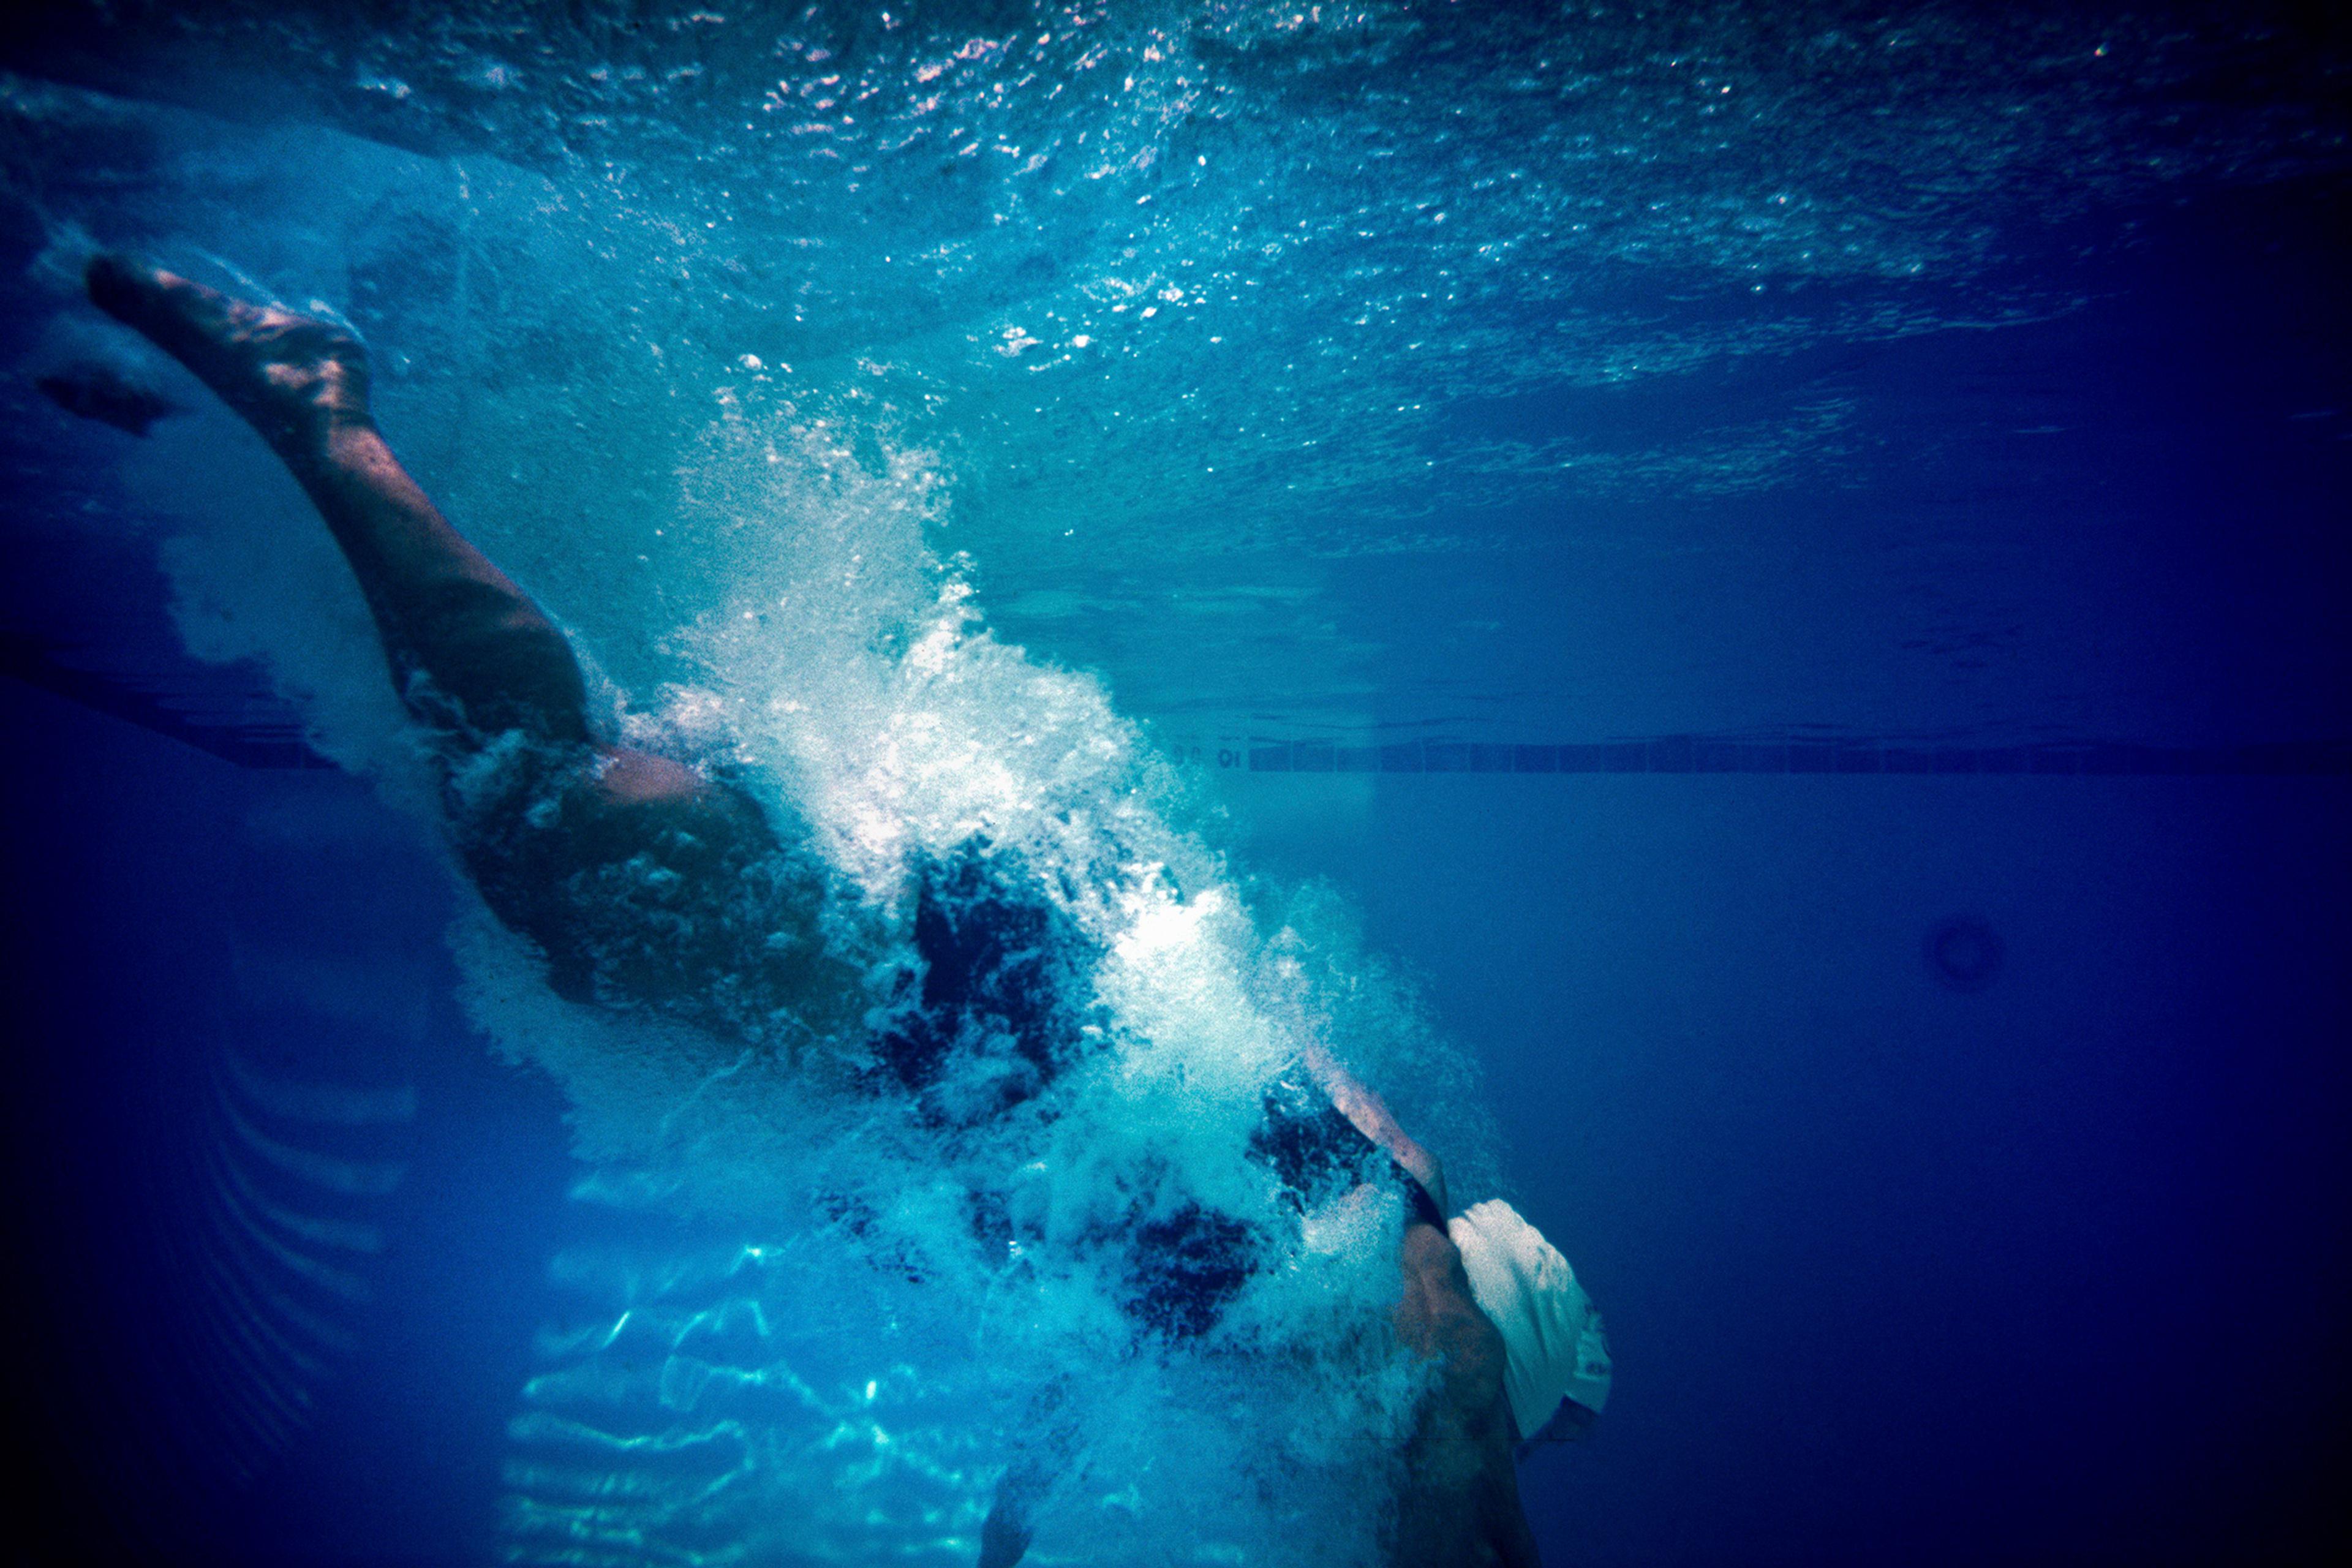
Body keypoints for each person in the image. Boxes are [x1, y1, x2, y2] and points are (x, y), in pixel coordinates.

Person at [75, 254, 1606, 1566]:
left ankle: (233, 464)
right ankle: (313, 412)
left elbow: (1093, 1354)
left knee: (575, 822)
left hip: (987, 962)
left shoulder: (1317, 1254)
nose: (1396, 1462)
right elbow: (1462, 1434)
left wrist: (1008, 1528)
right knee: (547, 830)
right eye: (1475, 1431)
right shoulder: (1414, 1301)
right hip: (962, 998)